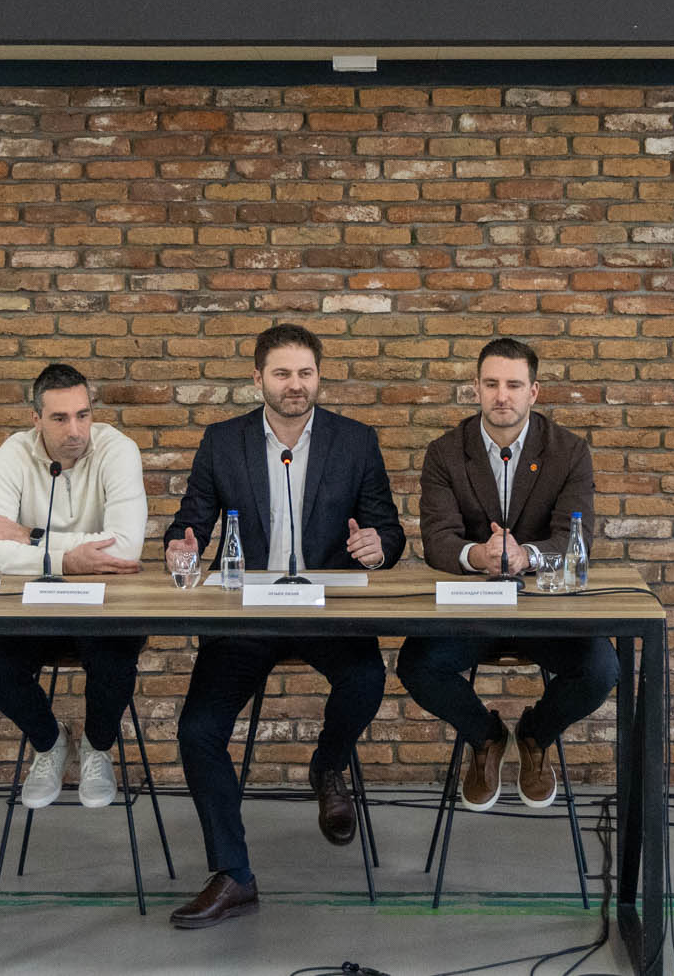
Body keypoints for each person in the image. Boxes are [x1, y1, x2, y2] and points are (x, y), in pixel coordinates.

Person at [164, 323, 405, 930]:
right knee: (197, 730)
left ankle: (327, 765)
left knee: (366, 680)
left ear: (318, 377)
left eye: (305, 373)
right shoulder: (223, 441)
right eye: (282, 374)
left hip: (328, 608)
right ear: (258, 379)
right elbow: (190, 520)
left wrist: (379, 546)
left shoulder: (355, 441)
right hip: (248, 611)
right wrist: (181, 547)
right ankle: (233, 875)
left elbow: (389, 528)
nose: (295, 385)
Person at [397, 337, 616, 810]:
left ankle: (535, 736)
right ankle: (486, 737)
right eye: (492, 384)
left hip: (542, 611)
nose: (502, 396)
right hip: (471, 611)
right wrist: (479, 555)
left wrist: (524, 556)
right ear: (475, 388)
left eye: (514, 385)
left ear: (533, 392)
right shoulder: (445, 452)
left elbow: (574, 539)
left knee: (601, 669)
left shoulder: (569, 451)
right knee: (416, 665)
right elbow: (437, 539)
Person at [0, 363, 147, 811]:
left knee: (114, 660)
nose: (75, 430)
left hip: (104, 606)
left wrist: (29, 537)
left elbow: (125, 548)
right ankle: (50, 744)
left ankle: (97, 748)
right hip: (36, 607)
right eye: (60, 418)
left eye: (83, 415)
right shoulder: (14, 453)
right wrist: (66, 559)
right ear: (37, 419)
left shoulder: (118, 450)